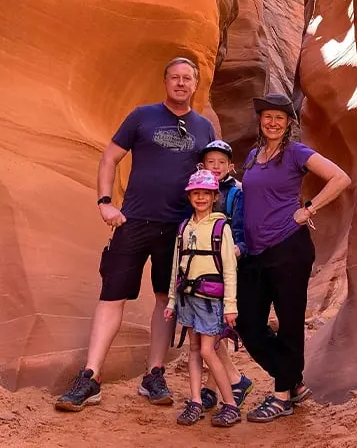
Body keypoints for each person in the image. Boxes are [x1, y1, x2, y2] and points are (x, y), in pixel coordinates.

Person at [55, 57, 215, 412]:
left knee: (164, 299)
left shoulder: (204, 128)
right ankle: (91, 377)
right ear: (165, 82)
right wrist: (105, 202)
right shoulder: (141, 116)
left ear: (195, 84)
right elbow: (109, 158)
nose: (180, 83)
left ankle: (154, 375)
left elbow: (210, 178)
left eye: (187, 78)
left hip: (176, 228)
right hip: (132, 221)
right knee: (112, 296)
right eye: (174, 77)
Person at [236, 93, 351, 423]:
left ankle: (282, 395)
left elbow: (340, 178)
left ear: (288, 124)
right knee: (248, 322)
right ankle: (294, 381)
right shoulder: (254, 156)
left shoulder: (296, 152)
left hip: (289, 247)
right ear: (260, 120)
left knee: (288, 322)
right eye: (267, 116)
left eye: (280, 117)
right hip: (256, 252)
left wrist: (309, 209)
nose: (273, 122)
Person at [164, 169, 241, 428]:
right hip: (188, 298)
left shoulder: (221, 228)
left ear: (214, 196)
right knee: (194, 350)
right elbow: (177, 265)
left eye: (205, 194)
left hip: (210, 301)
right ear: (189, 196)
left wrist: (230, 306)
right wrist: (172, 301)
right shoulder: (185, 227)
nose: (200, 198)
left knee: (208, 350)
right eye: (196, 193)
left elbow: (229, 269)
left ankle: (230, 403)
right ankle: (195, 401)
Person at [197, 140, 254, 410]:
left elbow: (244, 236)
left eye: (222, 162)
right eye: (211, 162)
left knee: (211, 329)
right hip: (202, 271)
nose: (216, 167)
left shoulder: (236, 194)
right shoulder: (197, 191)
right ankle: (212, 387)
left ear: (231, 166)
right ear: (202, 165)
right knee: (210, 329)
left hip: (225, 272)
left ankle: (231, 380)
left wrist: (235, 253)